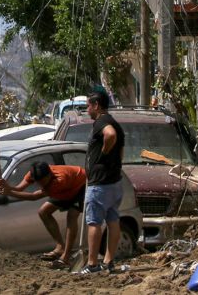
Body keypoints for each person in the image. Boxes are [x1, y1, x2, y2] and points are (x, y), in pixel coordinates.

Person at [0, 161, 87, 269]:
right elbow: (19, 188)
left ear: (49, 175)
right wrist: (8, 186)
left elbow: (34, 197)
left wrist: (9, 193)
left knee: (72, 216)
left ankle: (66, 257)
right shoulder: (33, 173)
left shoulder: (59, 181)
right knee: (43, 212)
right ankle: (60, 247)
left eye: (42, 182)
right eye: (37, 182)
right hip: (64, 190)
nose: (40, 185)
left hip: (80, 186)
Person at [77, 90, 125, 275]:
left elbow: (110, 135)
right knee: (113, 220)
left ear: (96, 105)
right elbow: (121, 152)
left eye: (89, 106)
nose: (87, 110)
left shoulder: (103, 122)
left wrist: (103, 154)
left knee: (94, 222)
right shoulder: (116, 124)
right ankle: (108, 261)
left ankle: (92, 264)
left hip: (100, 184)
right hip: (114, 182)